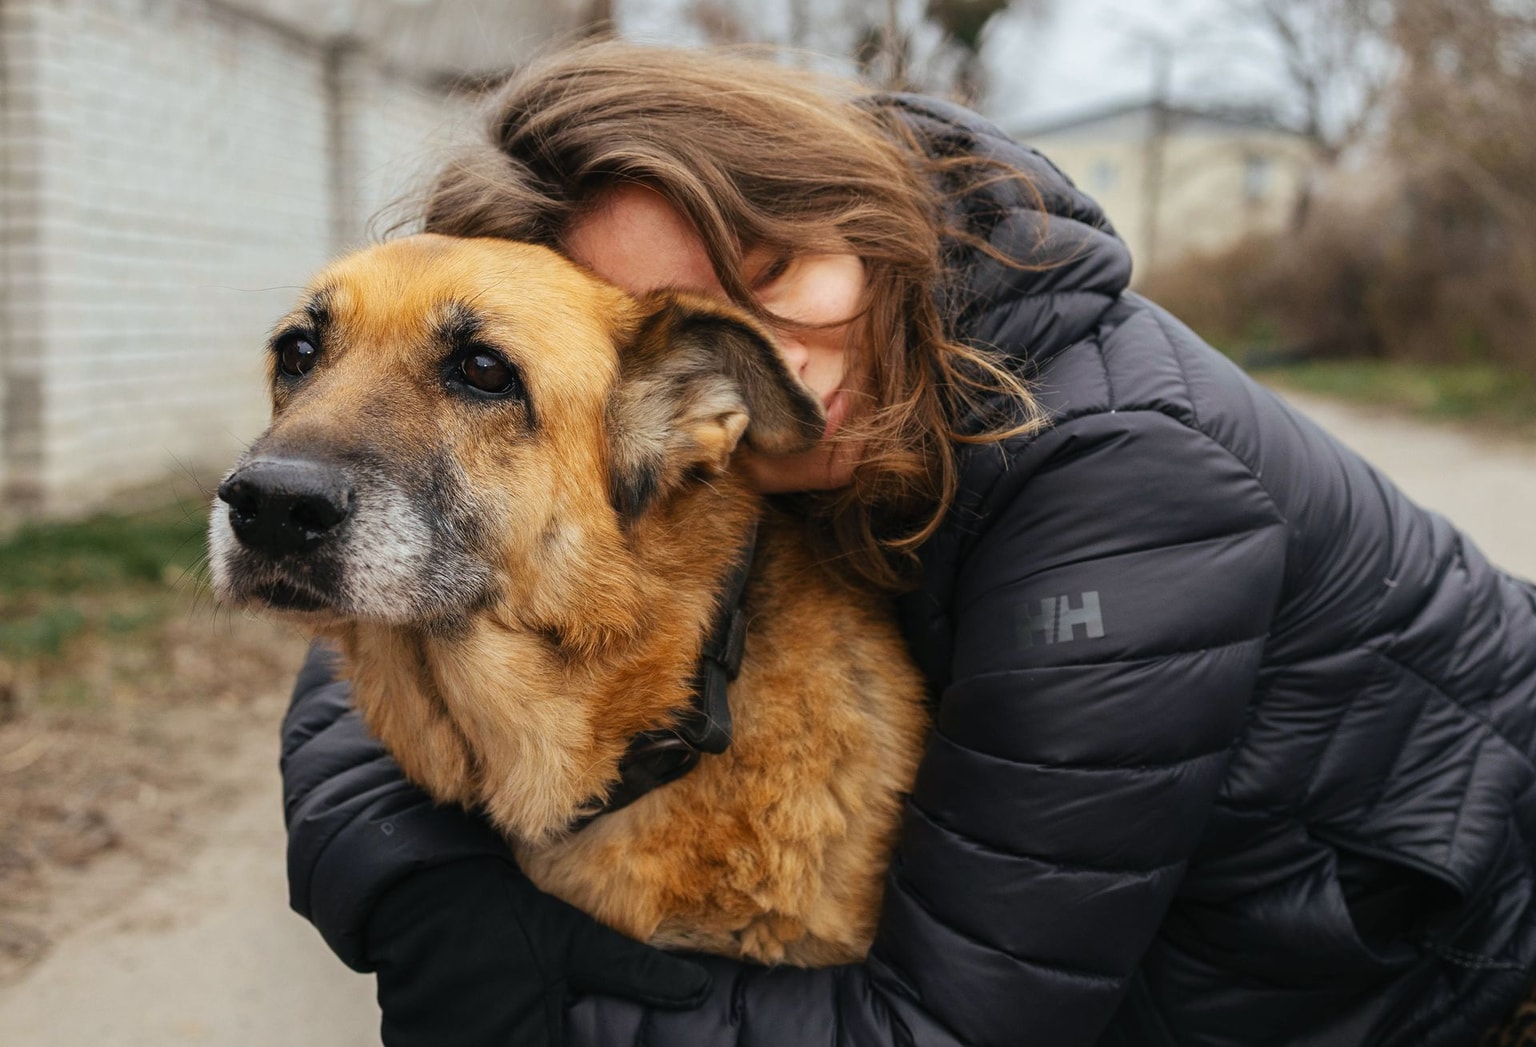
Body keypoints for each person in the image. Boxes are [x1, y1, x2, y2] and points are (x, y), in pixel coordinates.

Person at [279, 40, 1536, 1047]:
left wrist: (543, 1008)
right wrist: (412, 885)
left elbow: (963, 1024)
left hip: (1442, 970)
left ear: (856, 215)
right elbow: (391, 622)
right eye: (692, 319)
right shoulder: (728, 437)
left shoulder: (1125, 479)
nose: (779, 357)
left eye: (777, 267)